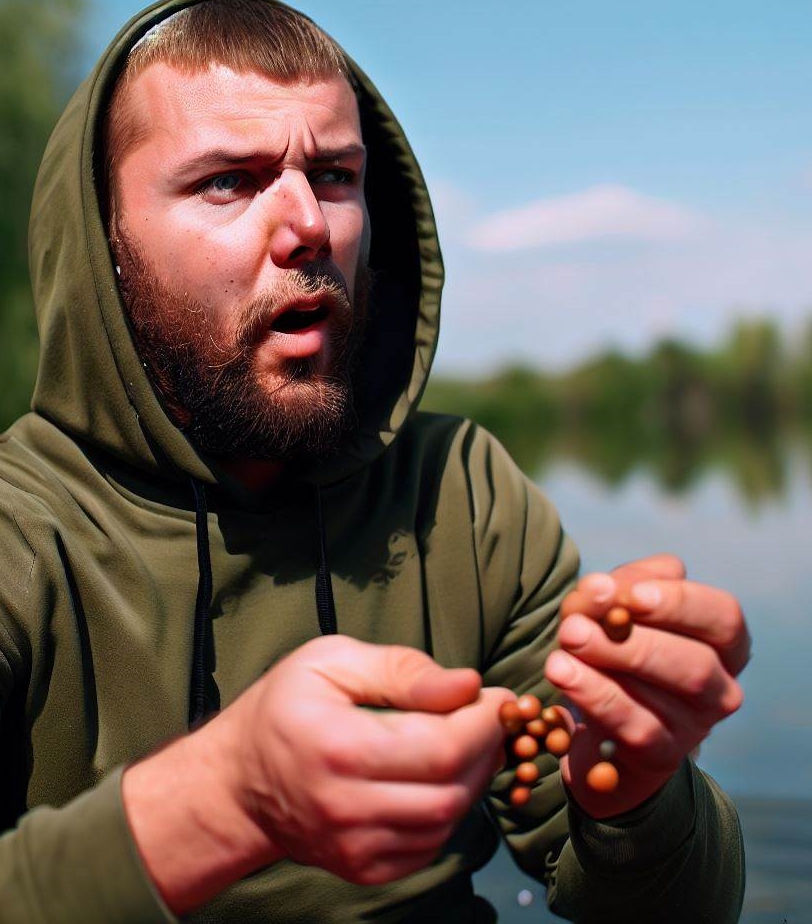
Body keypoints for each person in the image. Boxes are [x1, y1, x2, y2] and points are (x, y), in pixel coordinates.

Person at [0, 0, 750, 920]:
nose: (307, 225)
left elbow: (680, 908)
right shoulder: (16, 537)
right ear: (101, 245)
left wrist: (635, 790)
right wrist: (223, 803)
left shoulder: (464, 499)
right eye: (229, 182)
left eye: (335, 174)